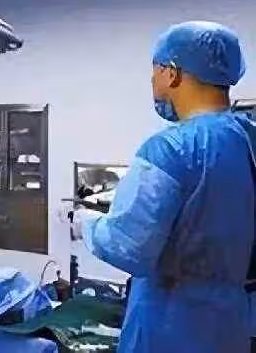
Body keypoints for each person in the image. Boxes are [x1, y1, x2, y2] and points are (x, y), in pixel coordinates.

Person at [70, 21, 254, 353]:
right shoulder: (247, 137)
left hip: (172, 323)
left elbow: (128, 247)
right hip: (231, 321)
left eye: (154, 72)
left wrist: (85, 223)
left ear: (172, 73)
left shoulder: (171, 149)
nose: (153, 81)